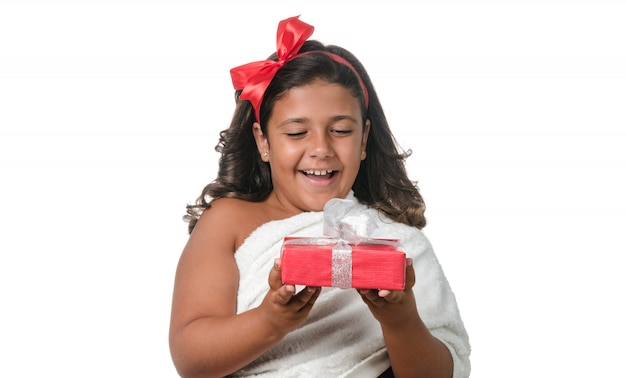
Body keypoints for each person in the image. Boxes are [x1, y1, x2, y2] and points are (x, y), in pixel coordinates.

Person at [169, 15, 470, 378]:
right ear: (263, 141)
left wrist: (401, 321)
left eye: (341, 130)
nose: (321, 148)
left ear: (363, 140)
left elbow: (443, 374)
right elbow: (191, 358)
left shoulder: (401, 243)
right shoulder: (229, 221)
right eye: (297, 133)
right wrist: (270, 320)